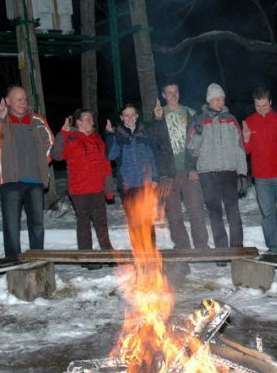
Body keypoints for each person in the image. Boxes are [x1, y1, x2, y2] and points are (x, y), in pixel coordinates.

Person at [0, 85, 54, 259]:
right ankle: (13, 262)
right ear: (7, 101)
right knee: (11, 225)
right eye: (18, 99)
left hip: (35, 180)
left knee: (37, 224)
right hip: (10, 181)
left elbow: (50, 144)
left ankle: (38, 259)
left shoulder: (37, 120)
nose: (23, 103)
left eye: (25, 99)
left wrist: (41, 164)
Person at [187, 83, 247, 249]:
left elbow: (240, 148)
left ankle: (237, 249)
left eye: (222, 99)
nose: (220, 102)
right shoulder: (199, 120)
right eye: (216, 99)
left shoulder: (231, 120)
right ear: (209, 101)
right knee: (215, 213)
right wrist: (198, 134)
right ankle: (221, 251)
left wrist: (242, 173)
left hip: (229, 172)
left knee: (233, 212)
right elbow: (191, 150)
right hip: (208, 173)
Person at [151, 83, 209, 250]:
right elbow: (155, 143)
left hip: (188, 171)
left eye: (175, 91)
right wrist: (157, 120)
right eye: (169, 92)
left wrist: (194, 167)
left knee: (196, 210)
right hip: (168, 174)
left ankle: (202, 246)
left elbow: (198, 142)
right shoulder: (159, 114)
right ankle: (182, 247)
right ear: (163, 95)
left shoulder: (190, 113)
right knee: (174, 214)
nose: (173, 95)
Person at [52, 109, 113, 257]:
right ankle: (87, 256)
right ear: (78, 122)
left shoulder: (97, 138)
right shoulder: (70, 138)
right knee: (84, 223)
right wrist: (63, 133)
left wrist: (108, 189)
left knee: (101, 223)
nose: (91, 122)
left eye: (92, 119)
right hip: (79, 190)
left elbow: (105, 164)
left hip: (97, 188)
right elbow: (56, 155)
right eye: (87, 119)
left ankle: (108, 253)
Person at [242, 87, 277, 255]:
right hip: (261, 178)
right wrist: (246, 138)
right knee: (268, 215)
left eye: (264, 106)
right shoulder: (249, 122)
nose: (261, 109)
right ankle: (273, 248)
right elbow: (246, 151)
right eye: (258, 106)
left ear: (270, 102)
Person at [105, 104, 159, 244]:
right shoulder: (117, 135)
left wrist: (154, 177)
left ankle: (151, 253)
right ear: (122, 118)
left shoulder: (145, 133)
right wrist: (110, 136)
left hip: (145, 184)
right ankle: (139, 254)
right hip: (127, 185)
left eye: (132, 114)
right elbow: (111, 156)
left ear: (137, 116)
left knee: (147, 219)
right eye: (126, 115)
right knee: (134, 220)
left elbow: (153, 156)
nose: (130, 118)